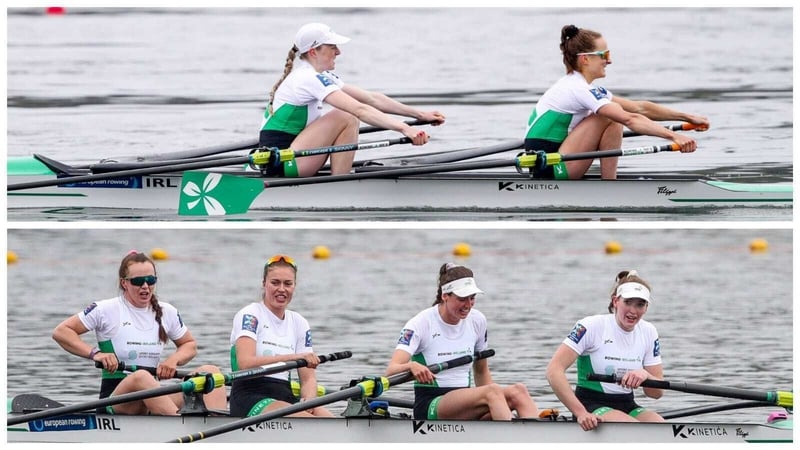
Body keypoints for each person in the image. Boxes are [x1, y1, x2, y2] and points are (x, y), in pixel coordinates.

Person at [52, 250, 227, 415]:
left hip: (152, 396)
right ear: (124, 283)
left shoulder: (168, 311)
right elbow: (62, 332)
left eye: (151, 280)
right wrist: (96, 354)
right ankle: (178, 426)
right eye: (138, 281)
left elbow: (189, 345)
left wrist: (173, 360)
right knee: (141, 377)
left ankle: (215, 429)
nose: (145, 286)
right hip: (117, 399)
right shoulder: (106, 309)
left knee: (210, 372)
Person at [524, 25, 710, 180]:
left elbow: (640, 107)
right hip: (549, 166)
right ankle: (610, 186)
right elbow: (630, 119)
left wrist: (687, 117)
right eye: (604, 55)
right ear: (585, 59)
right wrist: (673, 137)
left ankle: (610, 184)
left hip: (555, 159)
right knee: (610, 116)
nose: (609, 61)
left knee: (613, 113)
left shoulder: (583, 87)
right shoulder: (578, 88)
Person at [260, 22, 446, 178]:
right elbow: (359, 109)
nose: (338, 52)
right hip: (282, 162)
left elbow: (372, 99)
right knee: (346, 116)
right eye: (332, 47)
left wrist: (420, 114)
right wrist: (405, 128)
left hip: (291, 157)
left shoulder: (319, 75)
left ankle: (341, 177)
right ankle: (341, 183)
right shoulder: (307, 78)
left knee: (348, 115)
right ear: (314, 51)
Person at [385, 263, 540, 420]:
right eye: (462, 299)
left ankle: (538, 438)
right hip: (431, 404)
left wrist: (493, 405)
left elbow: (481, 371)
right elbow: (392, 369)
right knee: (493, 391)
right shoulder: (420, 323)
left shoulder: (477, 320)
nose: (468, 305)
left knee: (518, 391)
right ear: (445, 296)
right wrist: (411, 365)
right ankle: (515, 438)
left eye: (472, 298)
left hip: (466, 402)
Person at [545, 270, 665, 431]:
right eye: (628, 302)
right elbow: (554, 371)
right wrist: (580, 413)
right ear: (615, 301)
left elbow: (656, 394)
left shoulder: (649, 332)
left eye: (640, 304)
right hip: (590, 405)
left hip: (627, 404)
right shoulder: (591, 326)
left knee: (661, 427)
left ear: (646, 307)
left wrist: (646, 375)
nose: (633, 311)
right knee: (633, 429)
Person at [229, 254, 334, 418]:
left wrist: (309, 400)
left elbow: (308, 379)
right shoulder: (250, 315)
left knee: (330, 422)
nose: (282, 289)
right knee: (309, 423)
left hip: (285, 395)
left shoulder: (299, 322)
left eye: (288, 283)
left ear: (294, 286)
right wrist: (295, 357)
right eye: (275, 282)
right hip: (250, 396)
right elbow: (245, 363)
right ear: (264, 284)